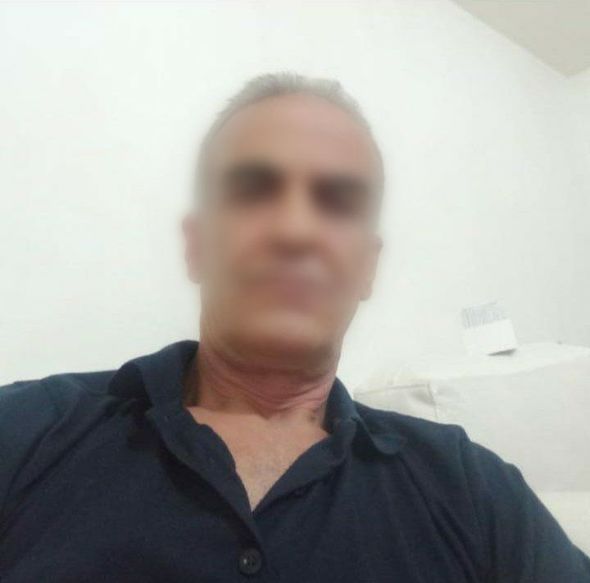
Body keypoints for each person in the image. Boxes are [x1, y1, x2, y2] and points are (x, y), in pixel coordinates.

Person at [1, 71, 589, 583]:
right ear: (196, 246)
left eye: (338, 201)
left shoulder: (471, 489)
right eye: (253, 191)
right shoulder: (26, 432)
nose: (294, 231)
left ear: (367, 267)